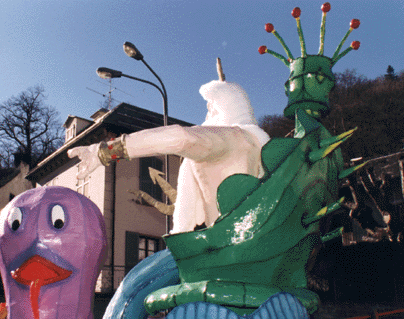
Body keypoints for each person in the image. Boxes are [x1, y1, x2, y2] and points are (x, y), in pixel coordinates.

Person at [68, 60, 270, 235]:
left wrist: (105, 152)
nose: (207, 114)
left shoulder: (229, 138)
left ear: (222, 108)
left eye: (210, 107)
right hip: (257, 237)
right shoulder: (257, 147)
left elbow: (181, 138)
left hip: (227, 246)